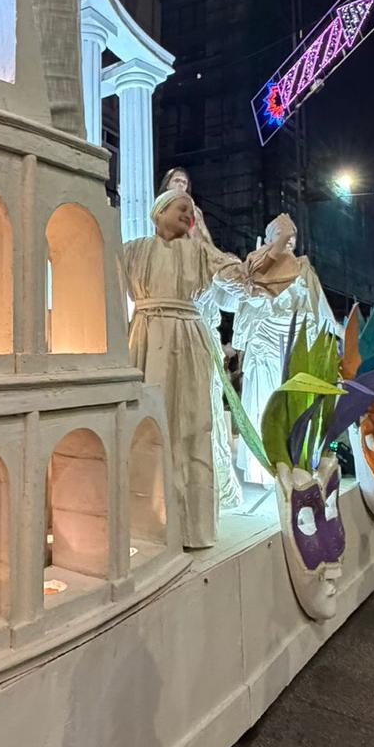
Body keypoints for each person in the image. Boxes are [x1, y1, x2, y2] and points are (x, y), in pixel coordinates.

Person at [122, 189, 290, 548]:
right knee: (144, 423)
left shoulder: (200, 251)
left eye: (192, 212)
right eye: (181, 208)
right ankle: (144, 523)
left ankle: (190, 526)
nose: (188, 216)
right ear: (159, 211)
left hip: (187, 335)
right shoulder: (133, 249)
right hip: (145, 335)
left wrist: (278, 246)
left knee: (190, 423)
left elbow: (239, 274)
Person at [229, 211, 339, 486]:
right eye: (281, 237)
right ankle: (265, 465)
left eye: (292, 238)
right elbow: (244, 304)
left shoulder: (303, 268)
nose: (288, 242)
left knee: (296, 400)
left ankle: (297, 462)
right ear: (269, 240)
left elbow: (318, 307)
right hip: (265, 341)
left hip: (295, 342)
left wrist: (331, 337)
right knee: (265, 400)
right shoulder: (256, 266)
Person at [156, 166, 241, 510]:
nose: (183, 189)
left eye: (186, 185)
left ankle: (206, 486)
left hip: (201, 336)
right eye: (176, 183)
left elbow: (227, 288)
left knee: (203, 408)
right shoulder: (154, 251)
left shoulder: (204, 255)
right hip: (167, 335)